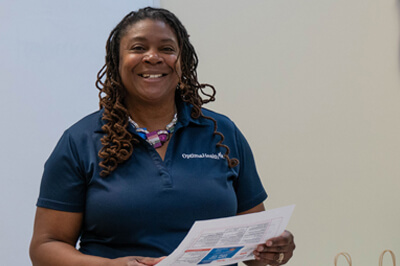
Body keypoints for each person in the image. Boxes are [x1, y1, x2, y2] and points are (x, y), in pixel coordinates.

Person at [29, 7, 295, 266]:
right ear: (116, 61)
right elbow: (45, 248)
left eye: (167, 49)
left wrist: (274, 251)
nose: (153, 57)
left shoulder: (221, 132)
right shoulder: (80, 141)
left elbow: (254, 247)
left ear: (183, 62)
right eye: (138, 48)